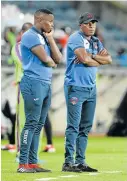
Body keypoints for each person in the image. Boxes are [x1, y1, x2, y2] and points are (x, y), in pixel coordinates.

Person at [62, 12, 112, 172]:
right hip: (75, 86)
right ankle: (68, 162)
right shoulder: (76, 38)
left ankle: (80, 161)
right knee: (73, 126)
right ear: (81, 25)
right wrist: (94, 59)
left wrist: (91, 56)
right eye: (88, 23)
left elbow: (109, 59)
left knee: (85, 127)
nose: (91, 26)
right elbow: (84, 60)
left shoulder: (96, 41)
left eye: (94, 23)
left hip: (91, 88)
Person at [18, 9, 62, 173]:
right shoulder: (29, 35)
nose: (52, 24)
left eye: (53, 21)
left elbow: (58, 59)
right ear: (39, 19)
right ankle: (23, 164)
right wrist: (52, 61)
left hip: (45, 83)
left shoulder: (44, 36)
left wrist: (50, 38)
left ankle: (32, 163)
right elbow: (47, 60)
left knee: (39, 125)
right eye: (49, 21)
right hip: (33, 83)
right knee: (31, 123)